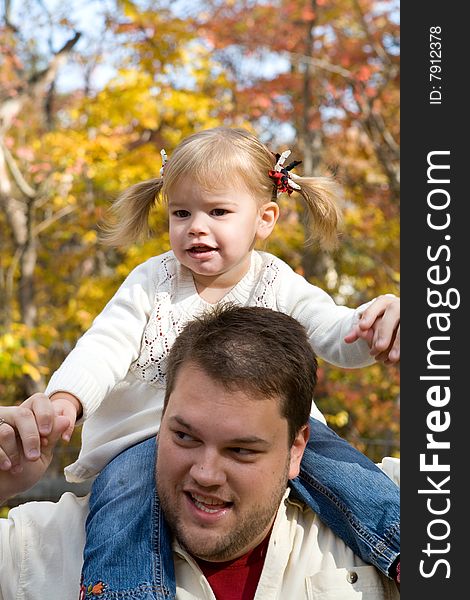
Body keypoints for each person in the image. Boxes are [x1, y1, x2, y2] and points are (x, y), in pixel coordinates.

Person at [0, 127, 400, 597]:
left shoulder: (278, 281)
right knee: (125, 498)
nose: (196, 227)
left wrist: (375, 327)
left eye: (218, 212)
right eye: (181, 212)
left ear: (264, 218)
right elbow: (103, 347)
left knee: (344, 469)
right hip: (146, 437)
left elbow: (334, 331)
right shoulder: (153, 282)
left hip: (278, 428)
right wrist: (65, 400)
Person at [0, 305, 399, 600]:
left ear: (297, 448)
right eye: (185, 437)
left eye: (241, 450)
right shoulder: (49, 546)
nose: (206, 473)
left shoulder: (372, 514)